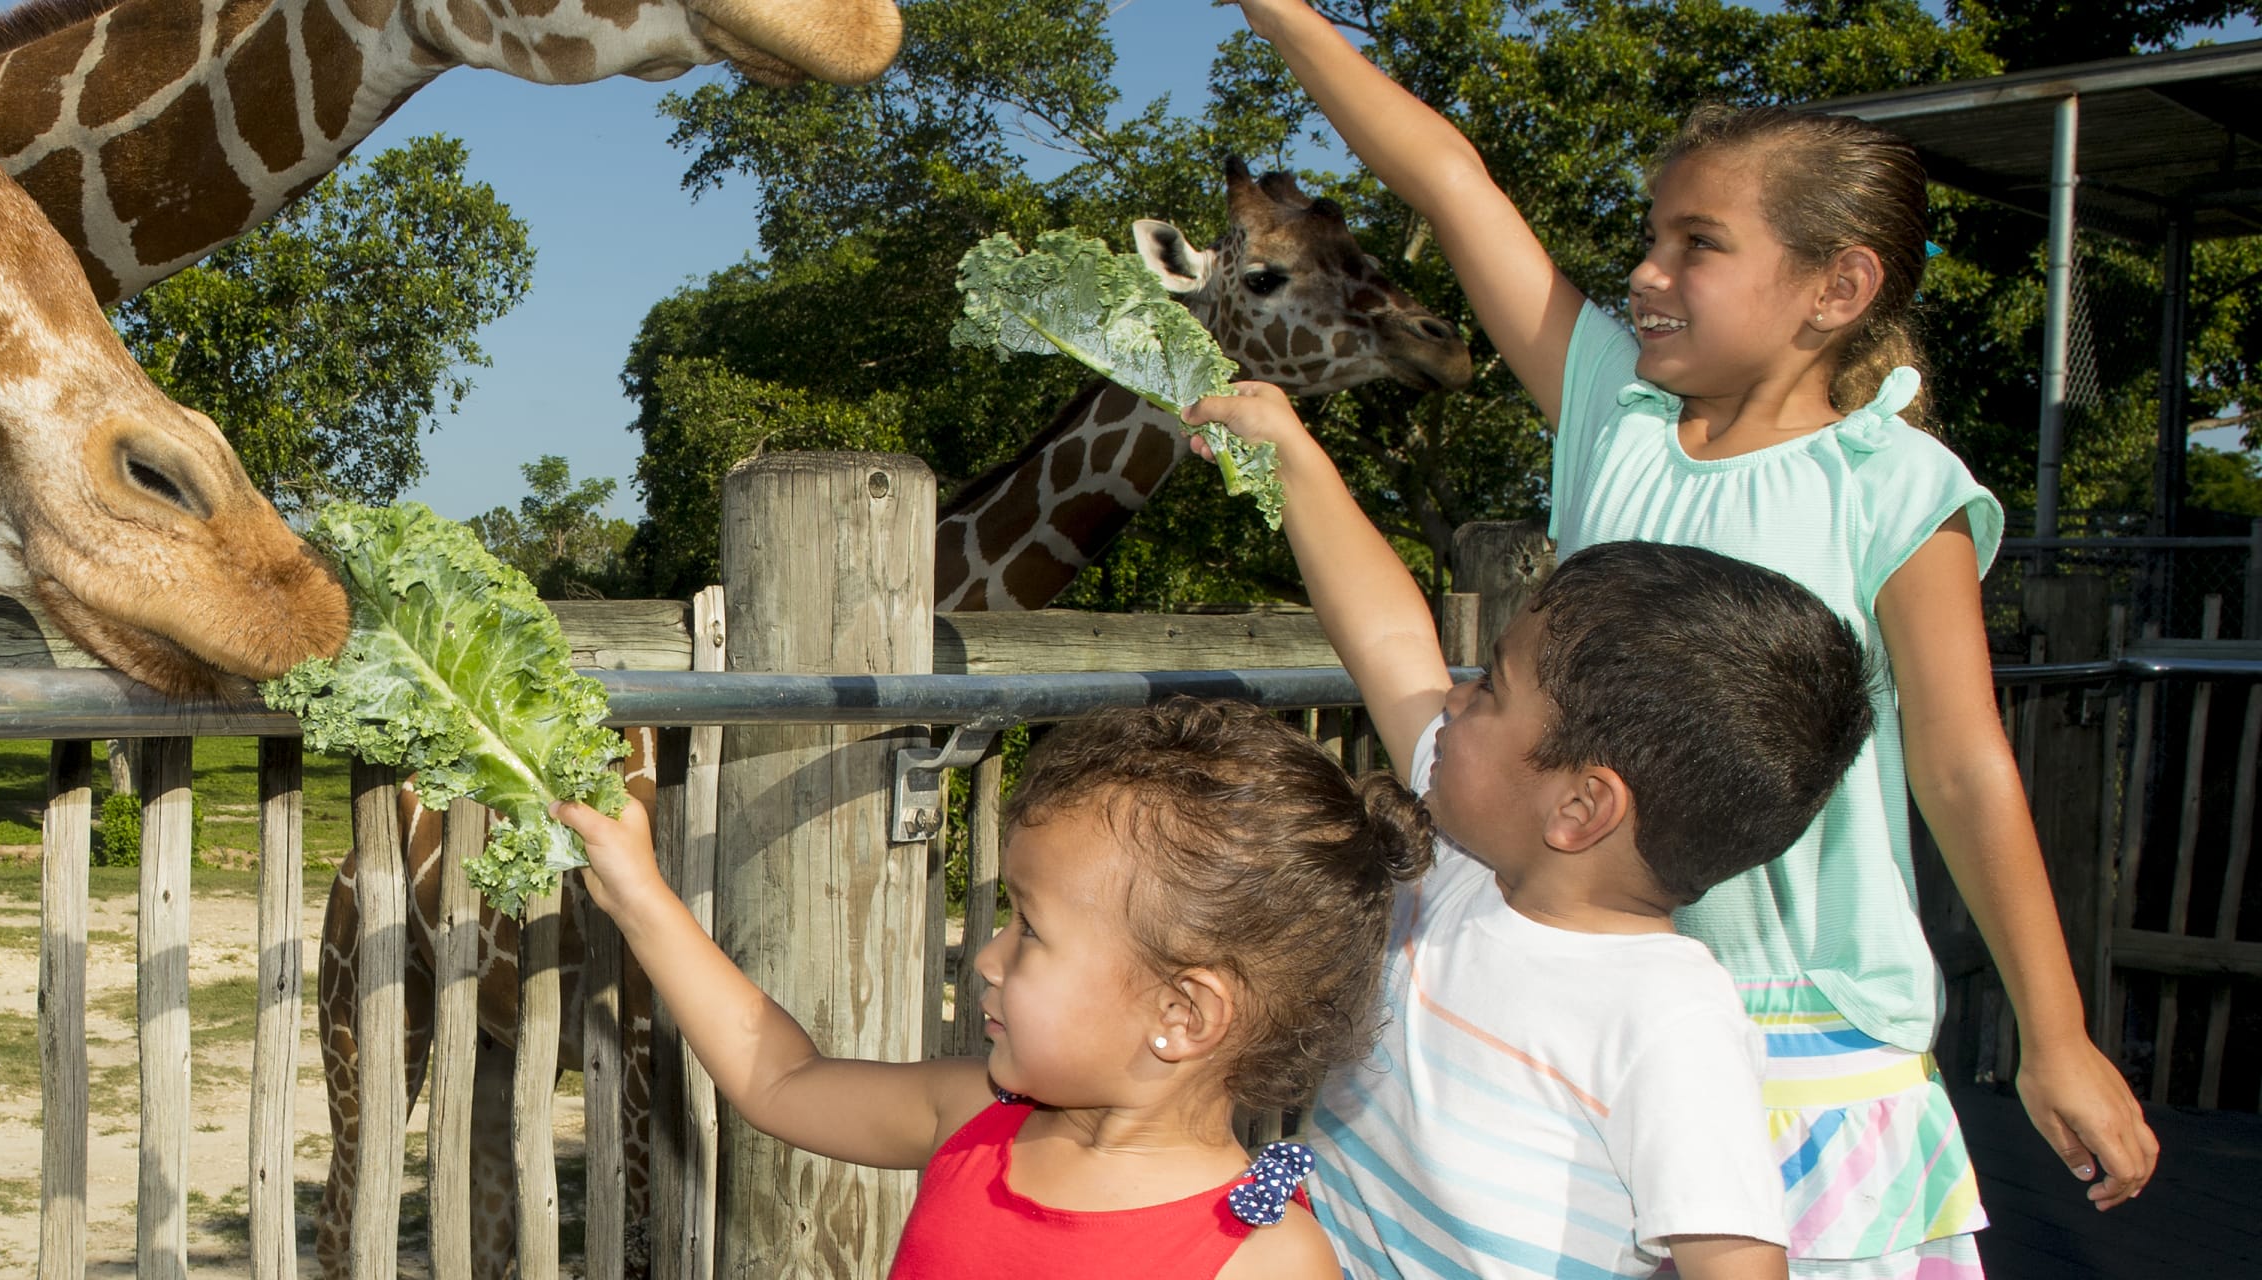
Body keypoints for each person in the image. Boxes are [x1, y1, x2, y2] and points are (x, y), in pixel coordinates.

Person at [1232, 0, 2163, 1266]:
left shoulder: (1893, 484)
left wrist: (2056, 1033)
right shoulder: (1612, 415)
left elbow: (1959, 762)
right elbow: (1449, 178)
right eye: (1652, 237)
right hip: (1569, 961)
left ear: (1836, 287)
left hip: (1806, 1022)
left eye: (1697, 245)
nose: (1646, 273)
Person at [1196, 376, 1882, 1279]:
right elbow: (1387, 638)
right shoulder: (1462, 865)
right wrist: (1289, 455)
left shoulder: (1667, 1019)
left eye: (1489, 689)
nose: (1452, 694)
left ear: (1579, 808)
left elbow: (1737, 1259)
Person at [556, 698, 1415, 1279]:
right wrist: (644, 901)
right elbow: (778, 1080)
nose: (987, 960)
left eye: (1032, 931)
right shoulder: (974, 1114)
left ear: (1181, 1014)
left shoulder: (1264, 1260)